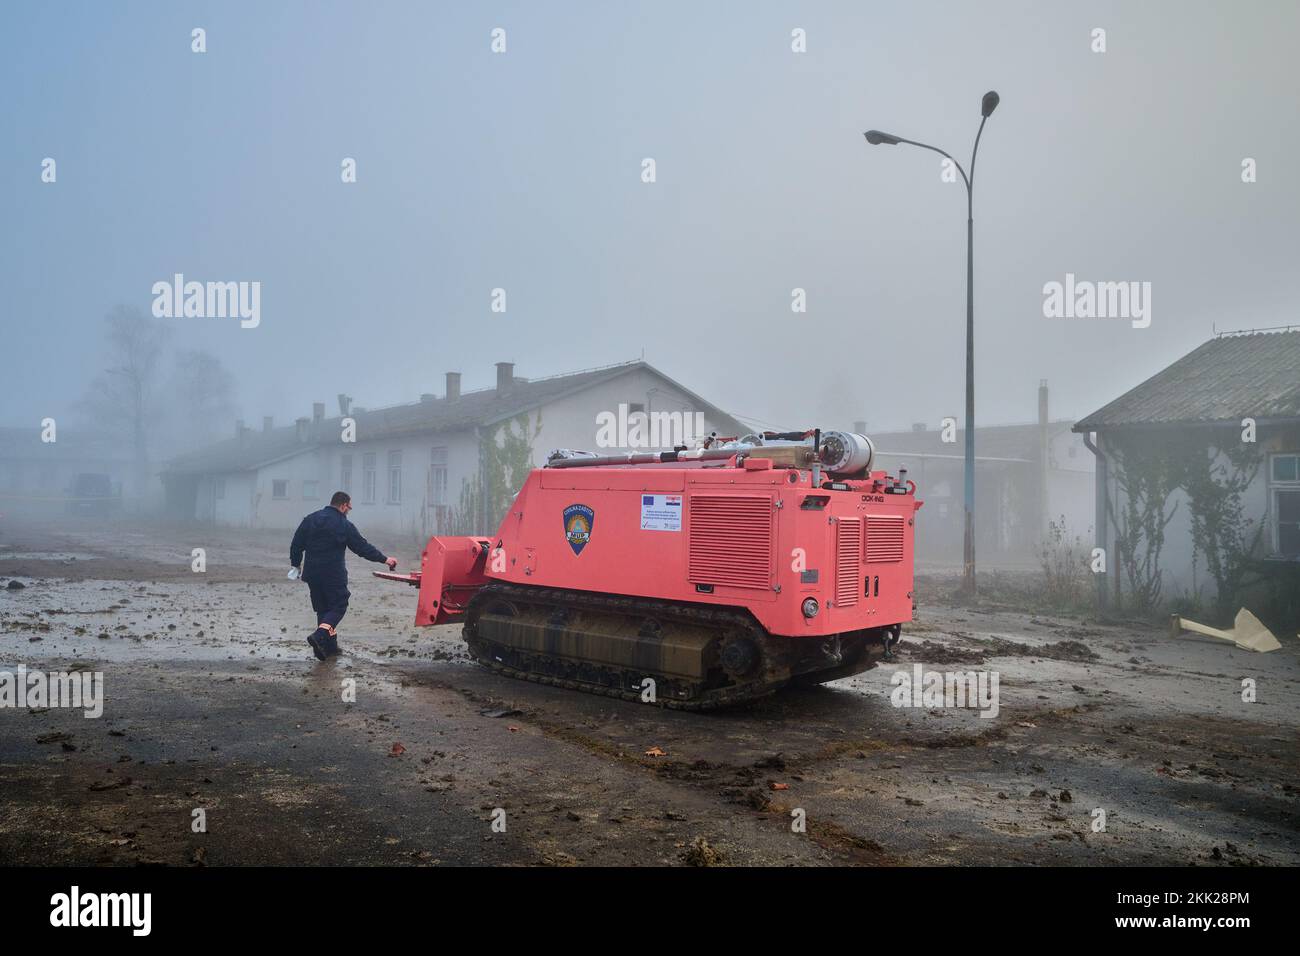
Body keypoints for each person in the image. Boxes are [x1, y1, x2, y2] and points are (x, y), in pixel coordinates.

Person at [289, 491, 397, 661]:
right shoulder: (343, 525)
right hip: (333, 574)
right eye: (349, 507)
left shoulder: (310, 519)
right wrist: (385, 559)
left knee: (323, 608)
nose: (349, 511)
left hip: (312, 573)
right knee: (339, 605)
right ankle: (319, 636)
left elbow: (296, 544)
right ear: (343, 505)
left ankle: (328, 647)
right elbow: (362, 547)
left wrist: (295, 565)